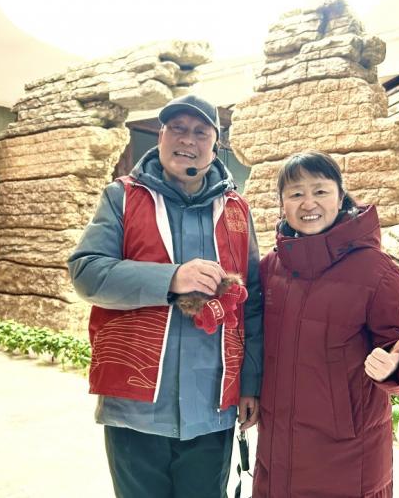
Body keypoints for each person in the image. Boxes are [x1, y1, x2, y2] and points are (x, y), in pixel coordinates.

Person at [68, 95, 263, 498]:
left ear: (216, 145)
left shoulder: (236, 211)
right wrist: (172, 278)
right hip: (134, 409)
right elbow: (86, 273)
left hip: (212, 406)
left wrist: (250, 383)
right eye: (177, 128)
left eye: (200, 132)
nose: (187, 139)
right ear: (160, 136)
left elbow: (253, 303)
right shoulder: (122, 197)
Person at [254, 151, 399, 498]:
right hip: (276, 454)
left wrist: (397, 365)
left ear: (340, 197)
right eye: (296, 193)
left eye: (320, 191)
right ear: (282, 204)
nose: (308, 203)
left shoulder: (377, 271)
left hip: (348, 462)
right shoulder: (270, 269)